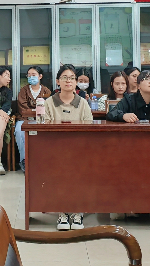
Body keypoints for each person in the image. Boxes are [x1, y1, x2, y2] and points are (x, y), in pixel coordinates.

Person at [43, 64, 93, 231]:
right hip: (55, 151)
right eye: (64, 77)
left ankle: (77, 212)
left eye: (72, 78)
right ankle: (62, 212)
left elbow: (89, 130)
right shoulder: (48, 103)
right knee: (59, 169)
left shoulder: (83, 103)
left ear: (76, 82)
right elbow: (45, 130)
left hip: (79, 150)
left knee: (81, 169)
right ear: (58, 81)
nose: (68, 81)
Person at [15, 66, 51, 172]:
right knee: (19, 131)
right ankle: (24, 160)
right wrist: (37, 111)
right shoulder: (23, 90)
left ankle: (42, 161)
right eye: (29, 75)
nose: (31, 77)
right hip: (24, 119)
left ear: (40, 76)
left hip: (42, 119)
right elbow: (23, 110)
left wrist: (36, 112)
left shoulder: (46, 91)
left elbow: (48, 108)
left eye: (33, 75)